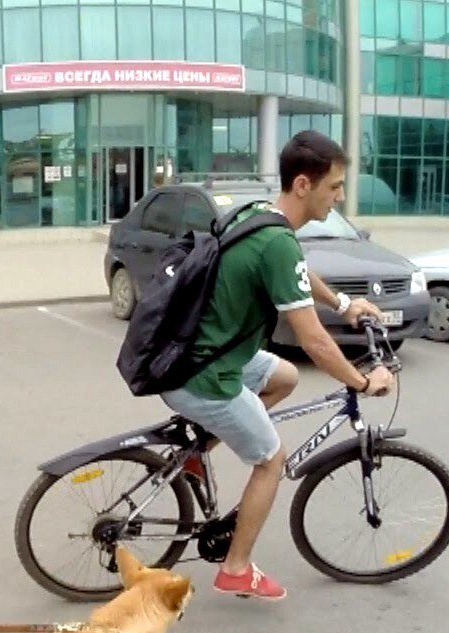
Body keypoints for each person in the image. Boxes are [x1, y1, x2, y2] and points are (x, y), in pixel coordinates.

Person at [159, 130, 394, 601]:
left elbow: (297, 273)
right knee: (271, 459)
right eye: (335, 186)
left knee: (284, 376)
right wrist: (362, 381)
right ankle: (236, 568)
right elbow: (314, 342)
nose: (341, 196)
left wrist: (344, 303)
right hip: (205, 374)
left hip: (205, 353)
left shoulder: (261, 215)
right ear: (304, 185)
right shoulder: (277, 241)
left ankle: (197, 448)